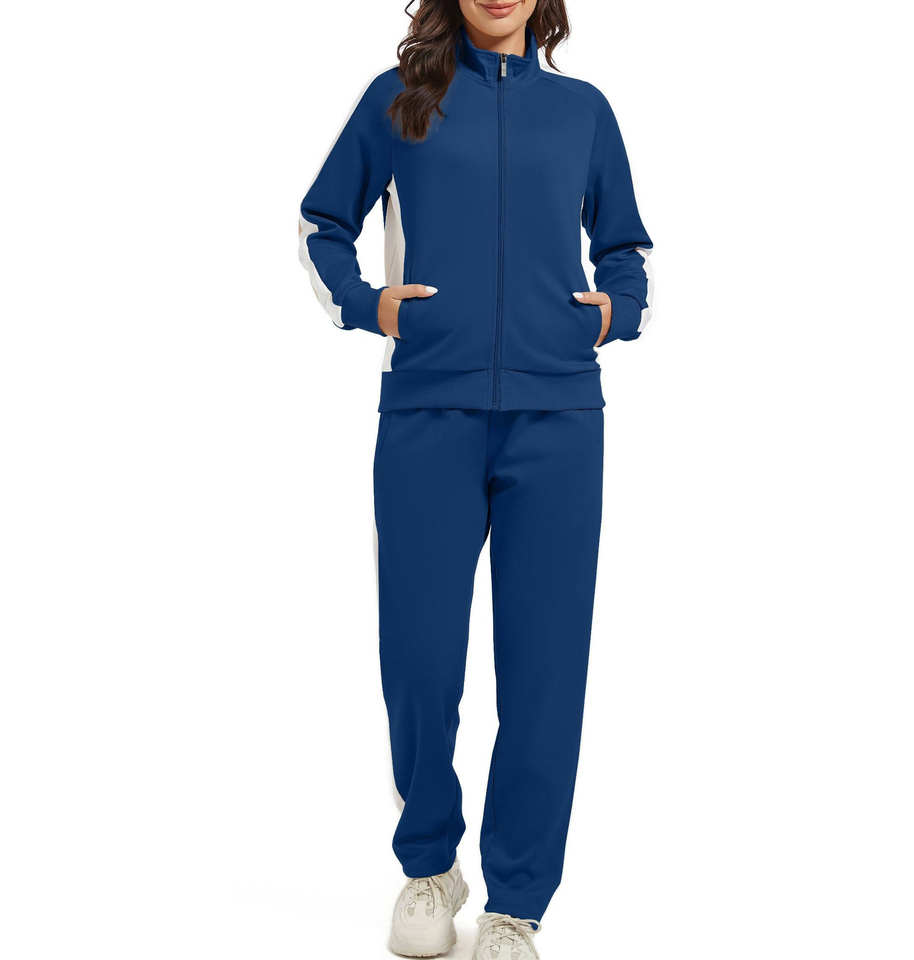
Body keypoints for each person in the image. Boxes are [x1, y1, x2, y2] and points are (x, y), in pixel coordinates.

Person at [298, 1, 653, 956]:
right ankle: (429, 867)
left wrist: (610, 314)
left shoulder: (583, 111)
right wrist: (372, 306)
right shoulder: (399, 100)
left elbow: (626, 248)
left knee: (545, 673)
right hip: (428, 416)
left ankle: (515, 904)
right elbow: (320, 223)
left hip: (559, 421)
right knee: (419, 660)